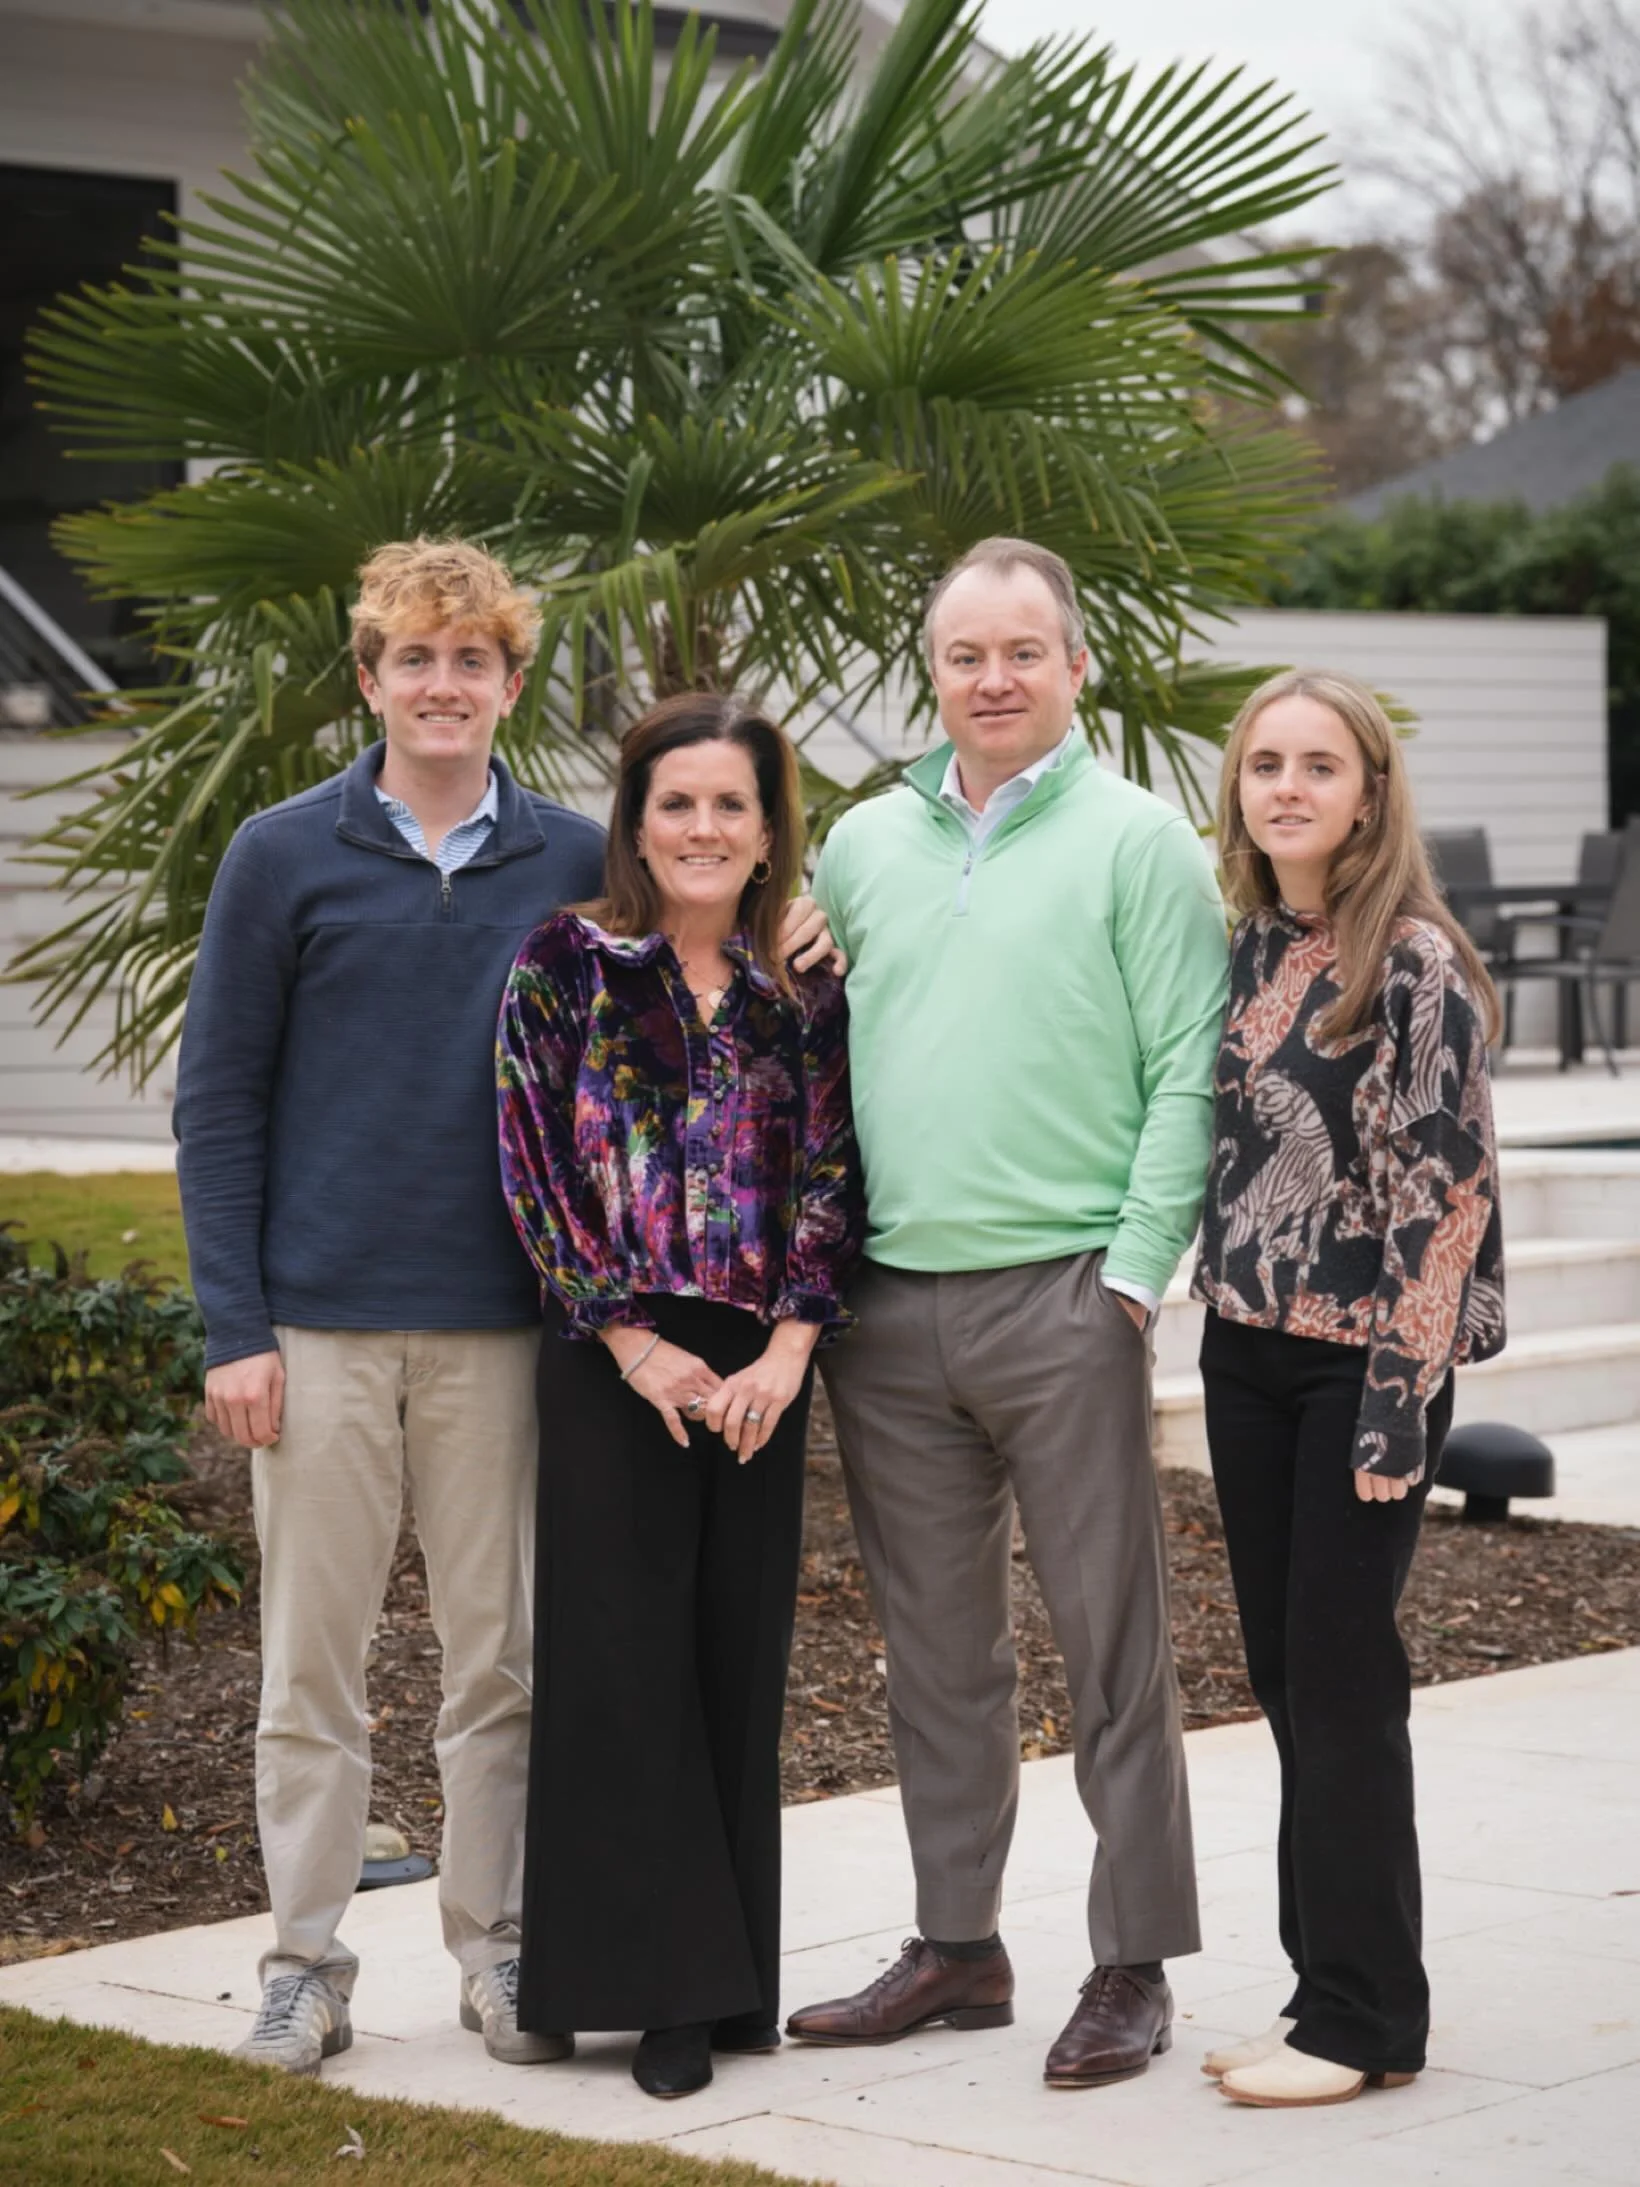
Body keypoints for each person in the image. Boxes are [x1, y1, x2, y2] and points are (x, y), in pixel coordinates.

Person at [174, 539, 836, 2079]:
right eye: (414, 657)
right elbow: (218, 1103)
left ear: (512, 682)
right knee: (310, 1667)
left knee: (501, 1663)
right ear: (370, 677)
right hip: (322, 1325)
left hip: (507, 1328)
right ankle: (303, 1962)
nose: (442, 683)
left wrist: (807, 933)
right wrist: (235, 1325)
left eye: (472, 659)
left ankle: (500, 1947)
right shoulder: (281, 855)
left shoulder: (565, 863)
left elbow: (709, 927)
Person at [784, 537, 1229, 2089]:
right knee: (935, 1650)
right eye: (966, 653)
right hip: (889, 1308)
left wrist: (1131, 1269)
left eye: (1022, 652)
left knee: (1114, 1641)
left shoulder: (1141, 841)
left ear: (1075, 667)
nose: (992, 678)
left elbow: (1191, 1063)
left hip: (1066, 1292)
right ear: (935, 671)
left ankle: (1133, 1960)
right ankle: (960, 1943)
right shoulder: (859, 844)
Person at [496, 691, 863, 2101]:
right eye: (677, 803)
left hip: (763, 1361)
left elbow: (833, 1173)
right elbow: (531, 1168)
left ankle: (733, 1987)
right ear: (636, 824)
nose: (703, 827)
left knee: (733, 1656)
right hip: (613, 1355)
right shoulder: (564, 965)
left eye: (731, 803)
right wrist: (632, 1340)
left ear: (770, 830)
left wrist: (786, 1348)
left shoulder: (806, 988)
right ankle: (651, 1992)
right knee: (621, 1660)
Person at [1191, 668, 1504, 2109]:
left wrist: (1400, 1394)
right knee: (1286, 1683)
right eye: (1267, 762)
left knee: (1345, 1679)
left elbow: (1445, 1196)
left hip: (1362, 1366)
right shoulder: (1257, 944)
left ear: (1371, 792)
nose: (1290, 786)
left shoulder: (1415, 961)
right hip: (1247, 1353)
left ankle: (1369, 2015)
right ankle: (1322, 1988)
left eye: (1321, 764)